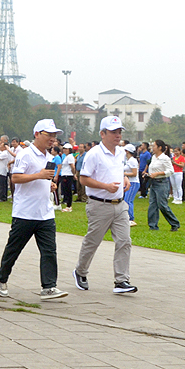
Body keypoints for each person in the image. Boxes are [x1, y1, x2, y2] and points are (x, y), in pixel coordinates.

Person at [0, 119, 69, 301]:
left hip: (45, 213)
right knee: (14, 249)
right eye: (49, 135)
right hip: (25, 213)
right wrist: (39, 175)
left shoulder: (50, 158)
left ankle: (49, 286)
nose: (52, 139)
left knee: (49, 251)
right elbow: (16, 178)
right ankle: (1, 278)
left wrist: (49, 183)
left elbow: (42, 179)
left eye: (54, 136)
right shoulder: (26, 155)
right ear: (37, 134)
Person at [74, 116, 138, 294]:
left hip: (120, 204)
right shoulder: (94, 154)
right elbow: (83, 179)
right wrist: (105, 187)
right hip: (99, 204)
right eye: (113, 132)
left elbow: (117, 170)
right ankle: (80, 271)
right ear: (103, 134)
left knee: (125, 241)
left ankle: (121, 280)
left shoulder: (121, 152)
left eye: (119, 132)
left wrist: (124, 178)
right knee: (93, 241)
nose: (117, 135)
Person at [146, 140, 180, 232]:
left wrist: (157, 173)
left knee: (162, 205)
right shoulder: (153, 157)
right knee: (152, 204)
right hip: (153, 182)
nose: (152, 148)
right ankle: (153, 226)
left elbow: (170, 171)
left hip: (162, 182)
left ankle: (174, 223)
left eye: (154, 146)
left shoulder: (165, 158)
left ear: (160, 147)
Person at [59, 143, 76, 212]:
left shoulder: (69, 157)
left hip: (68, 175)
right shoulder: (66, 156)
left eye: (67, 149)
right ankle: (68, 205)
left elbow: (72, 166)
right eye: (64, 149)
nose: (65, 150)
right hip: (65, 174)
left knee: (68, 191)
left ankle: (69, 206)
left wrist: (73, 174)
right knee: (66, 190)